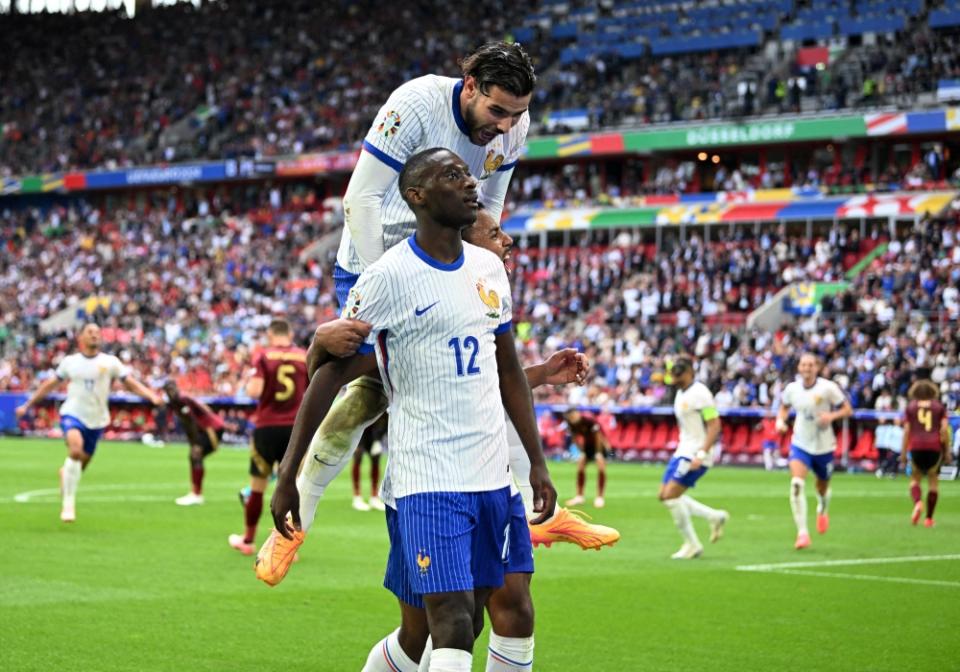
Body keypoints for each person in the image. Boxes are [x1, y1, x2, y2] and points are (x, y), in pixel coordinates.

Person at [269, 148, 557, 672]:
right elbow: (328, 375)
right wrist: (290, 475)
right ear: (417, 197)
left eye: (468, 174)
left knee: (480, 615)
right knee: (453, 621)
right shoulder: (387, 277)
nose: (472, 184)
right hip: (427, 478)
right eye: (454, 176)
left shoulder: (490, 268)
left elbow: (507, 370)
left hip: (492, 478)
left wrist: (534, 463)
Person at [291, 40, 535, 553]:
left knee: (484, 377)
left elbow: (488, 206)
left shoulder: (514, 127)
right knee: (365, 389)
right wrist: (388, 280)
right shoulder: (416, 104)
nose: (507, 126)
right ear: (469, 87)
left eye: (517, 114)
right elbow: (361, 197)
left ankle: (533, 504)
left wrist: (481, 262)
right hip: (375, 260)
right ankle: (299, 508)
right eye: (497, 111)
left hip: (449, 257)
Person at [360, 202, 613, 672]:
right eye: (494, 233)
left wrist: (538, 375)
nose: (506, 241)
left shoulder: (490, 291)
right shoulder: (412, 291)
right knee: (431, 630)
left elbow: (489, 378)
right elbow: (416, 376)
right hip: (428, 481)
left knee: (511, 608)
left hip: (493, 481)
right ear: (462, 241)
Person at [15, 322, 161, 522]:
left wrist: (150, 395)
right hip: (73, 414)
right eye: (90, 332)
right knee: (75, 450)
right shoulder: (70, 362)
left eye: (97, 333)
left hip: (97, 419)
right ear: (81, 338)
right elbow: (50, 384)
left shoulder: (110, 362)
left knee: (79, 465)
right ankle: (68, 506)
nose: (94, 335)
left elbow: (130, 383)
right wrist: (28, 404)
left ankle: (65, 473)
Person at [228, 319, 308, 554]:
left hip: (267, 426)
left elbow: (253, 391)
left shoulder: (263, 355)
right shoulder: (303, 356)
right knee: (293, 487)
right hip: (295, 428)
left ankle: (249, 540)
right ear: (290, 333)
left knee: (257, 487)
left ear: (270, 334)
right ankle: (288, 549)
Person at [776, 352, 853, 550]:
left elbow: (847, 409)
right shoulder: (792, 389)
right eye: (803, 365)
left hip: (824, 445)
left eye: (811, 365)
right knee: (796, 484)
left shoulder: (828, 388)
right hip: (800, 443)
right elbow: (783, 407)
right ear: (799, 368)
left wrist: (831, 416)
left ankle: (823, 507)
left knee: (822, 487)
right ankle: (802, 533)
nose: (807, 368)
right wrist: (780, 421)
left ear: (816, 368)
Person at [658, 356, 729, 560]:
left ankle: (693, 544)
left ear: (690, 373)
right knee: (664, 495)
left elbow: (714, 425)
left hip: (695, 453)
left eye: (678, 373)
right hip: (683, 450)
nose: (674, 377)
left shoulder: (701, 394)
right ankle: (714, 516)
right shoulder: (680, 393)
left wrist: (702, 453)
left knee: (670, 496)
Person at [163, 380, 226, 506]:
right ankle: (195, 493)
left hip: (211, 429)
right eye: (169, 390)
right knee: (194, 456)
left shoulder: (182, 400)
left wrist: (196, 442)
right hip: (208, 428)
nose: (172, 391)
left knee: (195, 455)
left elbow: (192, 421)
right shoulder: (175, 402)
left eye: (173, 388)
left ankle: (196, 494)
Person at [900, 379, 952, 527]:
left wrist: (903, 453)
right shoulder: (938, 407)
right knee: (933, 481)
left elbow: (907, 430)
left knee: (915, 479)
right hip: (934, 447)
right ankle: (929, 519)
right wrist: (947, 451)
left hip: (916, 446)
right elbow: (944, 430)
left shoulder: (911, 407)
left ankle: (917, 503)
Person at [562, 409, 610, 508]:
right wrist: (582, 451)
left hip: (600, 445)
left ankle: (600, 497)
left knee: (601, 467)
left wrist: (598, 453)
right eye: (570, 418)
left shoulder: (589, 420)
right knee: (580, 466)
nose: (573, 419)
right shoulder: (572, 425)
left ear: (577, 414)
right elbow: (574, 438)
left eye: (573, 416)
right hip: (587, 447)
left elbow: (598, 436)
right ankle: (579, 496)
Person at [351, 415, 387, 512]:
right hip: (360, 428)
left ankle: (374, 497)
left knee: (376, 457)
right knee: (358, 455)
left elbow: (385, 420)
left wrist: (378, 440)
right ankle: (357, 497)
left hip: (375, 431)